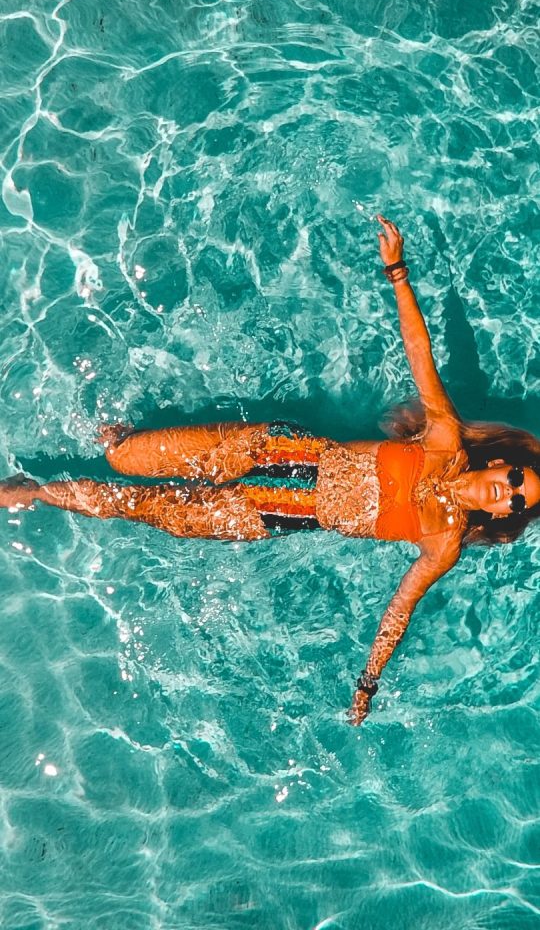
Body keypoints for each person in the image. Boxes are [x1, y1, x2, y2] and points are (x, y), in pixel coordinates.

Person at [2, 217, 539, 726]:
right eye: (518, 480)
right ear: (502, 463)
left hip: (263, 514)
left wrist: (368, 682)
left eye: (518, 503)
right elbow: (420, 353)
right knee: (124, 459)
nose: (510, 492)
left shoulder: (445, 542)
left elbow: (400, 608)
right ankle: (118, 442)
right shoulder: (444, 435)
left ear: (501, 514)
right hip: (270, 449)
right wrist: (397, 272)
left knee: (139, 505)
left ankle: (39, 492)